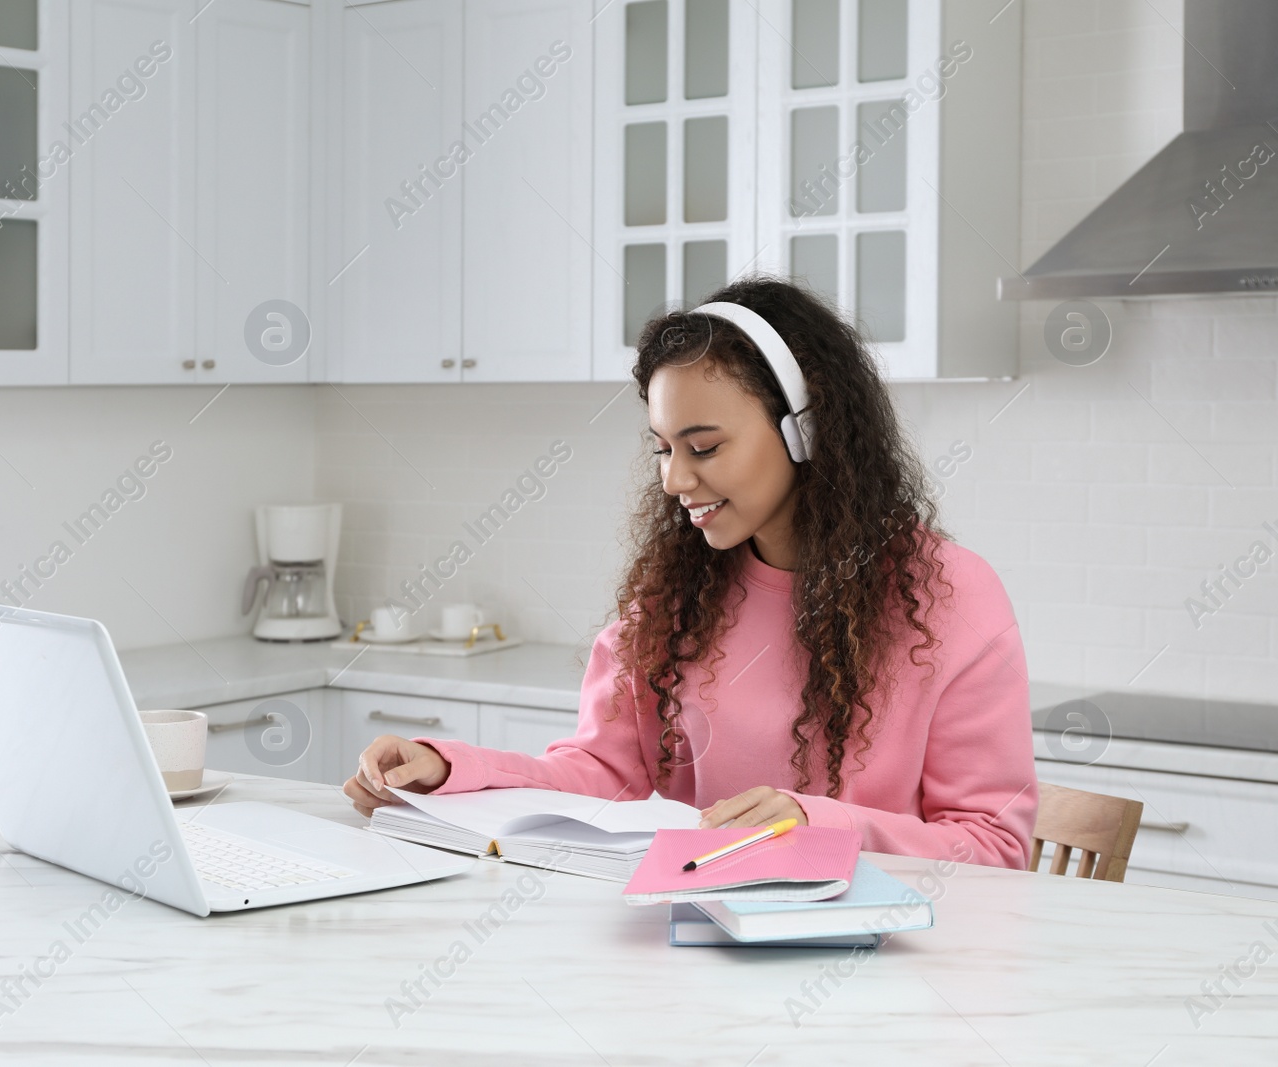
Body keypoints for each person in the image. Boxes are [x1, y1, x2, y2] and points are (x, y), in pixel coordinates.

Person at [342, 276, 1037, 868]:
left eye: (703, 446)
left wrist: (818, 824)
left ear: (807, 429)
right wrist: (449, 769)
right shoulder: (680, 595)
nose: (675, 479)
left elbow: (994, 846)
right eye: (662, 448)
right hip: (704, 941)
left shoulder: (949, 599)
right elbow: (598, 774)